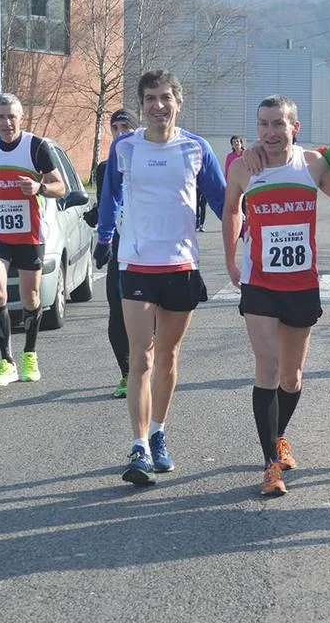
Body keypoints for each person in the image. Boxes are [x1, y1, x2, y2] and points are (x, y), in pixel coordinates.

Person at [95, 70, 226, 486]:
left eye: (165, 97)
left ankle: (158, 434)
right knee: (142, 358)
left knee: (168, 356)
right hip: (136, 264)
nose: (158, 105)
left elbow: (223, 200)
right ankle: (138, 446)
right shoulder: (125, 147)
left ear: (178, 103)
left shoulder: (196, 148)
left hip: (181, 265)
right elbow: (110, 195)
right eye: (150, 98)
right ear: (142, 105)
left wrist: (250, 236)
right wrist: (104, 236)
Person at [223, 95, 330, 496]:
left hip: (301, 284)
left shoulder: (312, 164)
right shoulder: (244, 167)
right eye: (263, 124)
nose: (270, 132)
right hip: (260, 283)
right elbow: (231, 209)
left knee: (292, 378)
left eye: (278, 124)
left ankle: (278, 436)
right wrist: (231, 260)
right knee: (267, 367)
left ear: (294, 128)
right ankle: (270, 465)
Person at [0, 93, 67, 388]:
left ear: (21, 118)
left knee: (31, 297)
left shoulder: (36, 147)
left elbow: (61, 186)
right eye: (1, 117)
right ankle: (6, 361)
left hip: (29, 233)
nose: (7, 123)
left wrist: (39, 187)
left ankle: (29, 354)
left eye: (11, 116)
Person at [83, 109, 138, 399]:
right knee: (116, 310)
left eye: (125, 127)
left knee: (149, 313)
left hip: (149, 247)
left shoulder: (150, 161)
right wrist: (96, 220)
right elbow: (108, 201)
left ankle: (147, 364)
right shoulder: (105, 168)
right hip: (118, 244)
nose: (119, 133)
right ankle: (127, 373)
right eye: (115, 128)